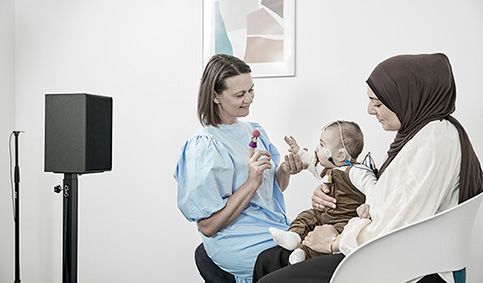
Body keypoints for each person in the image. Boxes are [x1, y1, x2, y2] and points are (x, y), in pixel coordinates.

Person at [253, 53, 483, 283]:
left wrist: (335, 241)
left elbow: (395, 229)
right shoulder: (421, 134)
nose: (370, 110)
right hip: (386, 252)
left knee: (271, 280)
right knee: (268, 260)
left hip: (404, 264)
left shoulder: (434, 140)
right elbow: (390, 202)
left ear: (406, 98)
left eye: (378, 103)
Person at [174, 54, 305, 283]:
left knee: (321, 250)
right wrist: (251, 182)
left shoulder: (254, 130)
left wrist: (285, 169)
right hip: (236, 240)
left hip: (274, 228)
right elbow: (208, 226)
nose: (249, 99)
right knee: (304, 263)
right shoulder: (204, 146)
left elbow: (274, 190)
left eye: (251, 90)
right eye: (239, 94)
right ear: (215, 96)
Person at [269, 121, 377, 264]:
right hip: (323, 214)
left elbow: (372, 187)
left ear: (339, 155)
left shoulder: (357, 172)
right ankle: (293, 236)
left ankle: (303, 252)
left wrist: (368, 204)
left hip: (343, 220)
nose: (316, 148)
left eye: (321, 145)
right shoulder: (330, 170)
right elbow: (312, 163)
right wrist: (298, 151)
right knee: (307, 216)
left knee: (332, 234)